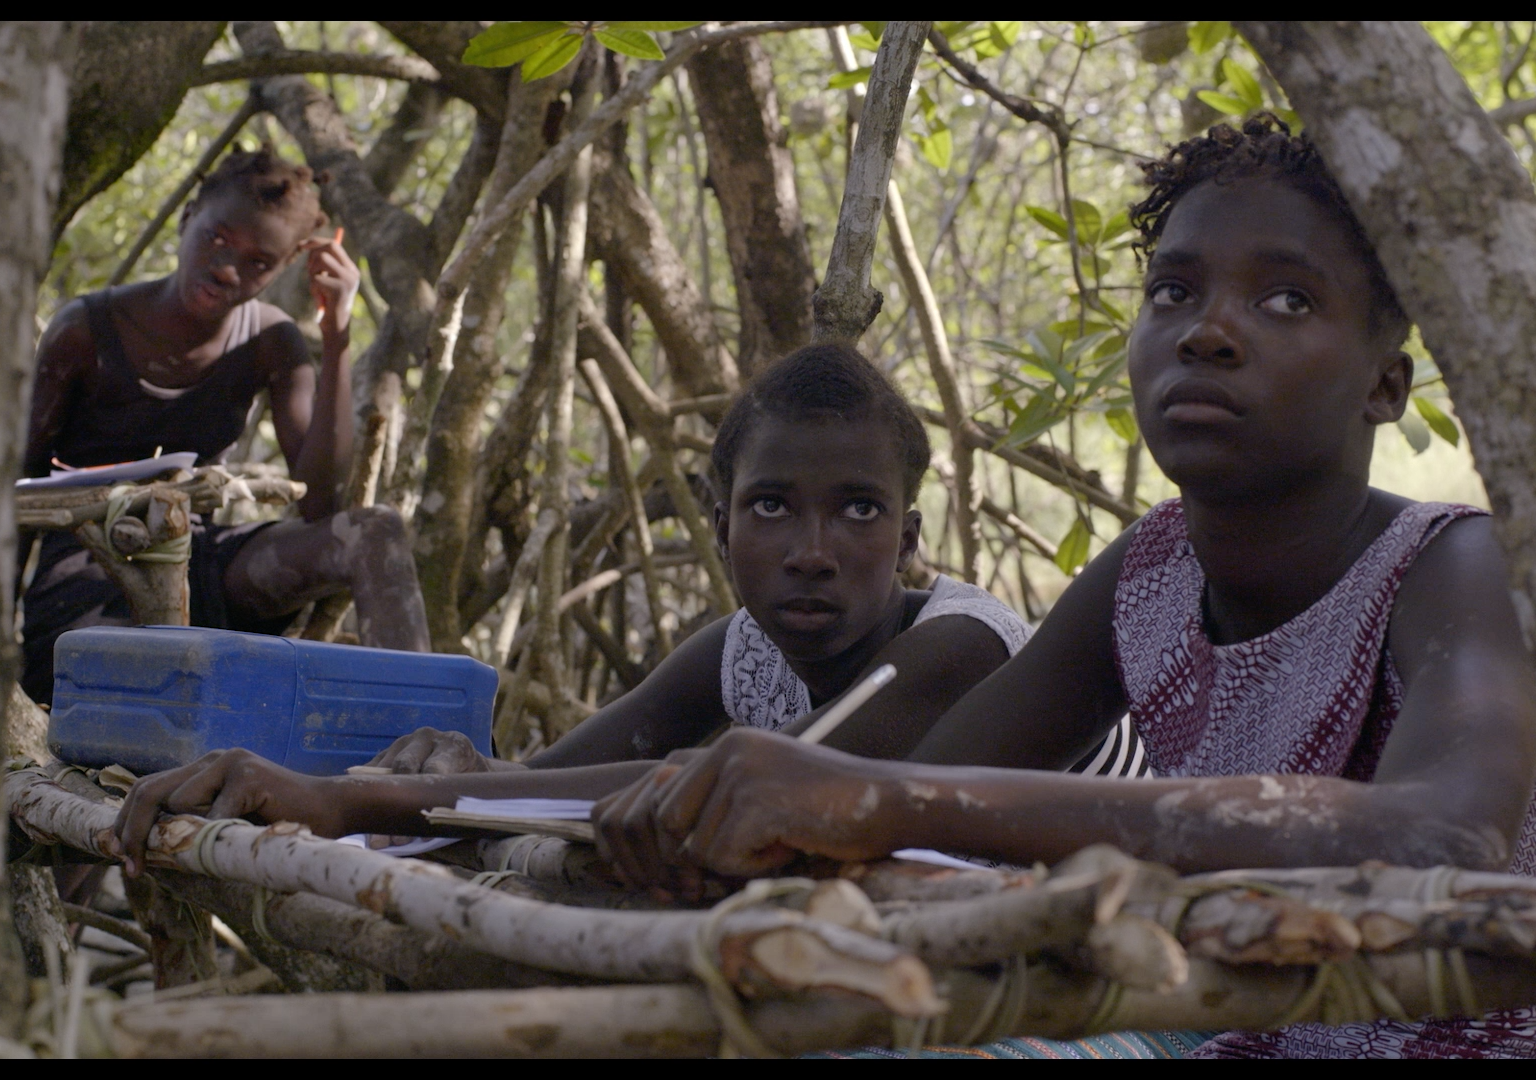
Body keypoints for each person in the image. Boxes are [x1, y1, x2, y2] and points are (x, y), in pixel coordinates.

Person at [585, 115, 1536, 1058]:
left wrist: (873, 793)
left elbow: (1442, 831)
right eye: (1173, 292)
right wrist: (750, 815)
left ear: (1388, 382)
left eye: (1285, 299)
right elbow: (932, 796)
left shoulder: (1459, 567)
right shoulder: (1149, 577)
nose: (1208, 332)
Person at [109, 344, 1148, 872]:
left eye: (861, 512)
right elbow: (539, 787)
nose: (814, 553)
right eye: (773, 508)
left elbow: (758, 789)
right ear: (721, 521)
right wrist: (331, 792)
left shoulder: (961, 649)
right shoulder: (738, 652)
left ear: (911, 539)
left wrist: (341, 802)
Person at [19, 147, 430, 702]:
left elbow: (318, 506)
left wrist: (337, 341)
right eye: (217, 236)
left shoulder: (271, 342)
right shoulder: (85, 330)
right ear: (188, 218)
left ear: (285, 268)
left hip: (205, 556)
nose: (229, 267)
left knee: (374, 532)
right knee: (127, 675)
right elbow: (18, 489)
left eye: (259, 262)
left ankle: (427, 745)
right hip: (87, 566)